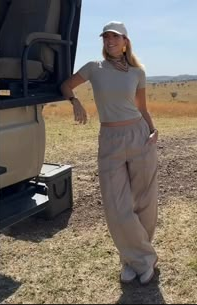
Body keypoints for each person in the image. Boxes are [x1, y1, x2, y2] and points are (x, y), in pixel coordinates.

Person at [61, 21, 159, 285]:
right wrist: (75, 101)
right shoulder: (94, 68)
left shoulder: (137, 72)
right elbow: (66, 85)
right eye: (106, 37)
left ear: (126, 41)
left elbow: (142, 108)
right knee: (116, 205)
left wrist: (153, 129)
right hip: (110, 139)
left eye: (115, 37)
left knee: (144, 200)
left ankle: (132, 259)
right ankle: (142, 259)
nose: (110, 41)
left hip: (139, 135)